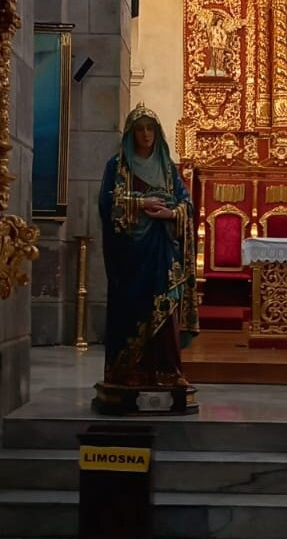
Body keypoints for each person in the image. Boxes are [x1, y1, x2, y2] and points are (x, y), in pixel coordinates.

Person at [98, 103, 199, 388]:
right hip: (130, 254)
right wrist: (141, 203)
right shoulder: (117, 166)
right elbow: (107, 204)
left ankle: (167, 371)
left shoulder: (167, 168)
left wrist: (170, 213)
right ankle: (128, 370)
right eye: (140, 129)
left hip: (162, 248)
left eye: (150, 129)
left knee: (166, 308)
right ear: (131, 134)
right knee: (132, 309)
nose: (145, 135)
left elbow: (186, 204)